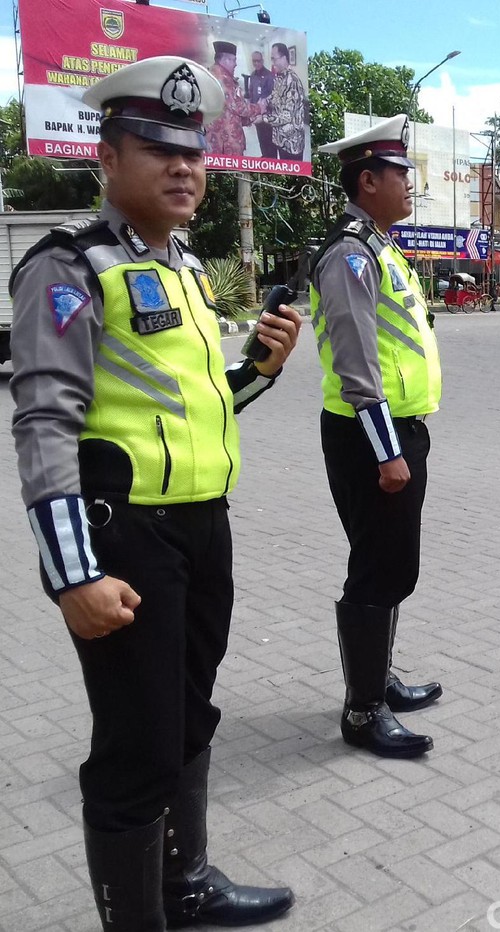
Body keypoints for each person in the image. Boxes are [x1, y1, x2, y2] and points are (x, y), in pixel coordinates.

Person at [9, 56, 301, 931]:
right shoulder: (66, 269)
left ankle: (186, 884)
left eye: (195, 154)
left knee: (189, 715)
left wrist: (260, 367)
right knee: (136, 745)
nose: (184, 168)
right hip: (124, 538)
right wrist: (72, 577)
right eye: (156, 149)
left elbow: (203, 405)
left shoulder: (188, 271)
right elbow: (44, 426)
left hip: (203, 530)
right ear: (106, 158)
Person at [309, 114, 443, 760]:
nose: (409, 183)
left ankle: (377, 679)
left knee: (394, 566)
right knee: (377, 569)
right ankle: (362, 710)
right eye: (400, 173)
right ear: (368, 181)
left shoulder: (378, 248)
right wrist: (388, 450)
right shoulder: (349, 255)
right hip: (371, 440)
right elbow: (358, 363)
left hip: (394, 434)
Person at [207, 40, 261, 156]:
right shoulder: (224, 78)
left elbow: (227, 112)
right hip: (226, 146)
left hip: (216, 141)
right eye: (234, 60)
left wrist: (249, 120)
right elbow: (238, 107)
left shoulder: (212, 73)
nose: (236, 64)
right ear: (226, 59)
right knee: (228, 174)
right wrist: (259, 108)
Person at [258, 43, 305, 160]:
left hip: (291, 144)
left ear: (284, 58)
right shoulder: (280, 77)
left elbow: (287, 116)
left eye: (274, 59)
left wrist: (263, 118)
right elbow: (275, 96)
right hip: (280, 139)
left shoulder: (292, 81)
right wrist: (264, 102)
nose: (273, 63)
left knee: (292, 178)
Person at [248, 49, 275, 157]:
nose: (256, 63)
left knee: (269, 138)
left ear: (262, 61)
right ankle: (265, 155)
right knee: (260, 137)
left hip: (267, 114)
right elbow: (251, 93)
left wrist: (264, 105)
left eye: (258, 61)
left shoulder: (269, 75)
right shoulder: (253, 75)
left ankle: (271, 159)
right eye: (254, 61)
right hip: (256, 114)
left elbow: (273, 95)